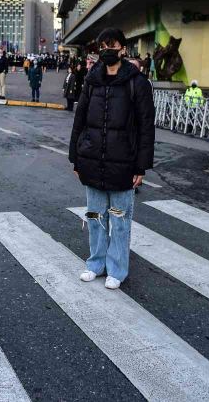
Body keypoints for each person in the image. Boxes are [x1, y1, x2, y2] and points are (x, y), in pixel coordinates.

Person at [69, 28, 155, 290]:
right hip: (92, 162)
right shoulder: (92, 81)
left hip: (123, 165)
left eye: (112, 45)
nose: (107, 50)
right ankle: (96, 264)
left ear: (123, 49)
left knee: (119, 219)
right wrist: (75, 157)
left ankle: (117, 269)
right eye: (102, 46)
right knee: (95, 216)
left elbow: (146, 127)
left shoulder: (137, 83)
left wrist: (141, 165)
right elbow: (79, 120)